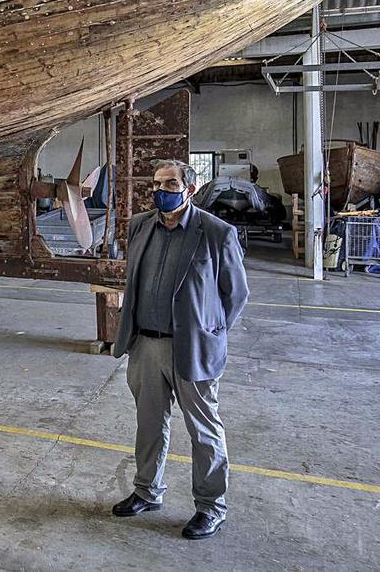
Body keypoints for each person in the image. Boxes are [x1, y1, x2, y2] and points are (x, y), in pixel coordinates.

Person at [111, 159, 248, 540]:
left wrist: (211, 332)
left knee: (204, 431)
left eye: (170, 184)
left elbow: (235, 294)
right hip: (145, 344)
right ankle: (146, 491)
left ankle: (210, 507)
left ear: (189, 189)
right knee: (150, 424)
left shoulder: (216, 233)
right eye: (157, 184)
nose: (162, 191)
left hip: (191, 348)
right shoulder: (140, 226)